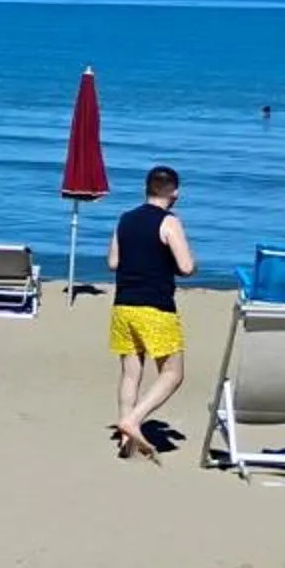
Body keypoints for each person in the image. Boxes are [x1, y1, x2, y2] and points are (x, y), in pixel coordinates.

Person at [105, 165, 198, 460]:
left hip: (123, 304)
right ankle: (133, 420)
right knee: (173, 374)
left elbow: (113, 262)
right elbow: (185, 267)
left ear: (146, 188)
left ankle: (125, 442)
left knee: (131, 373)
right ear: (175, 193)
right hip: (155, 307)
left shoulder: (125, 220)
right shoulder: (169, 222)